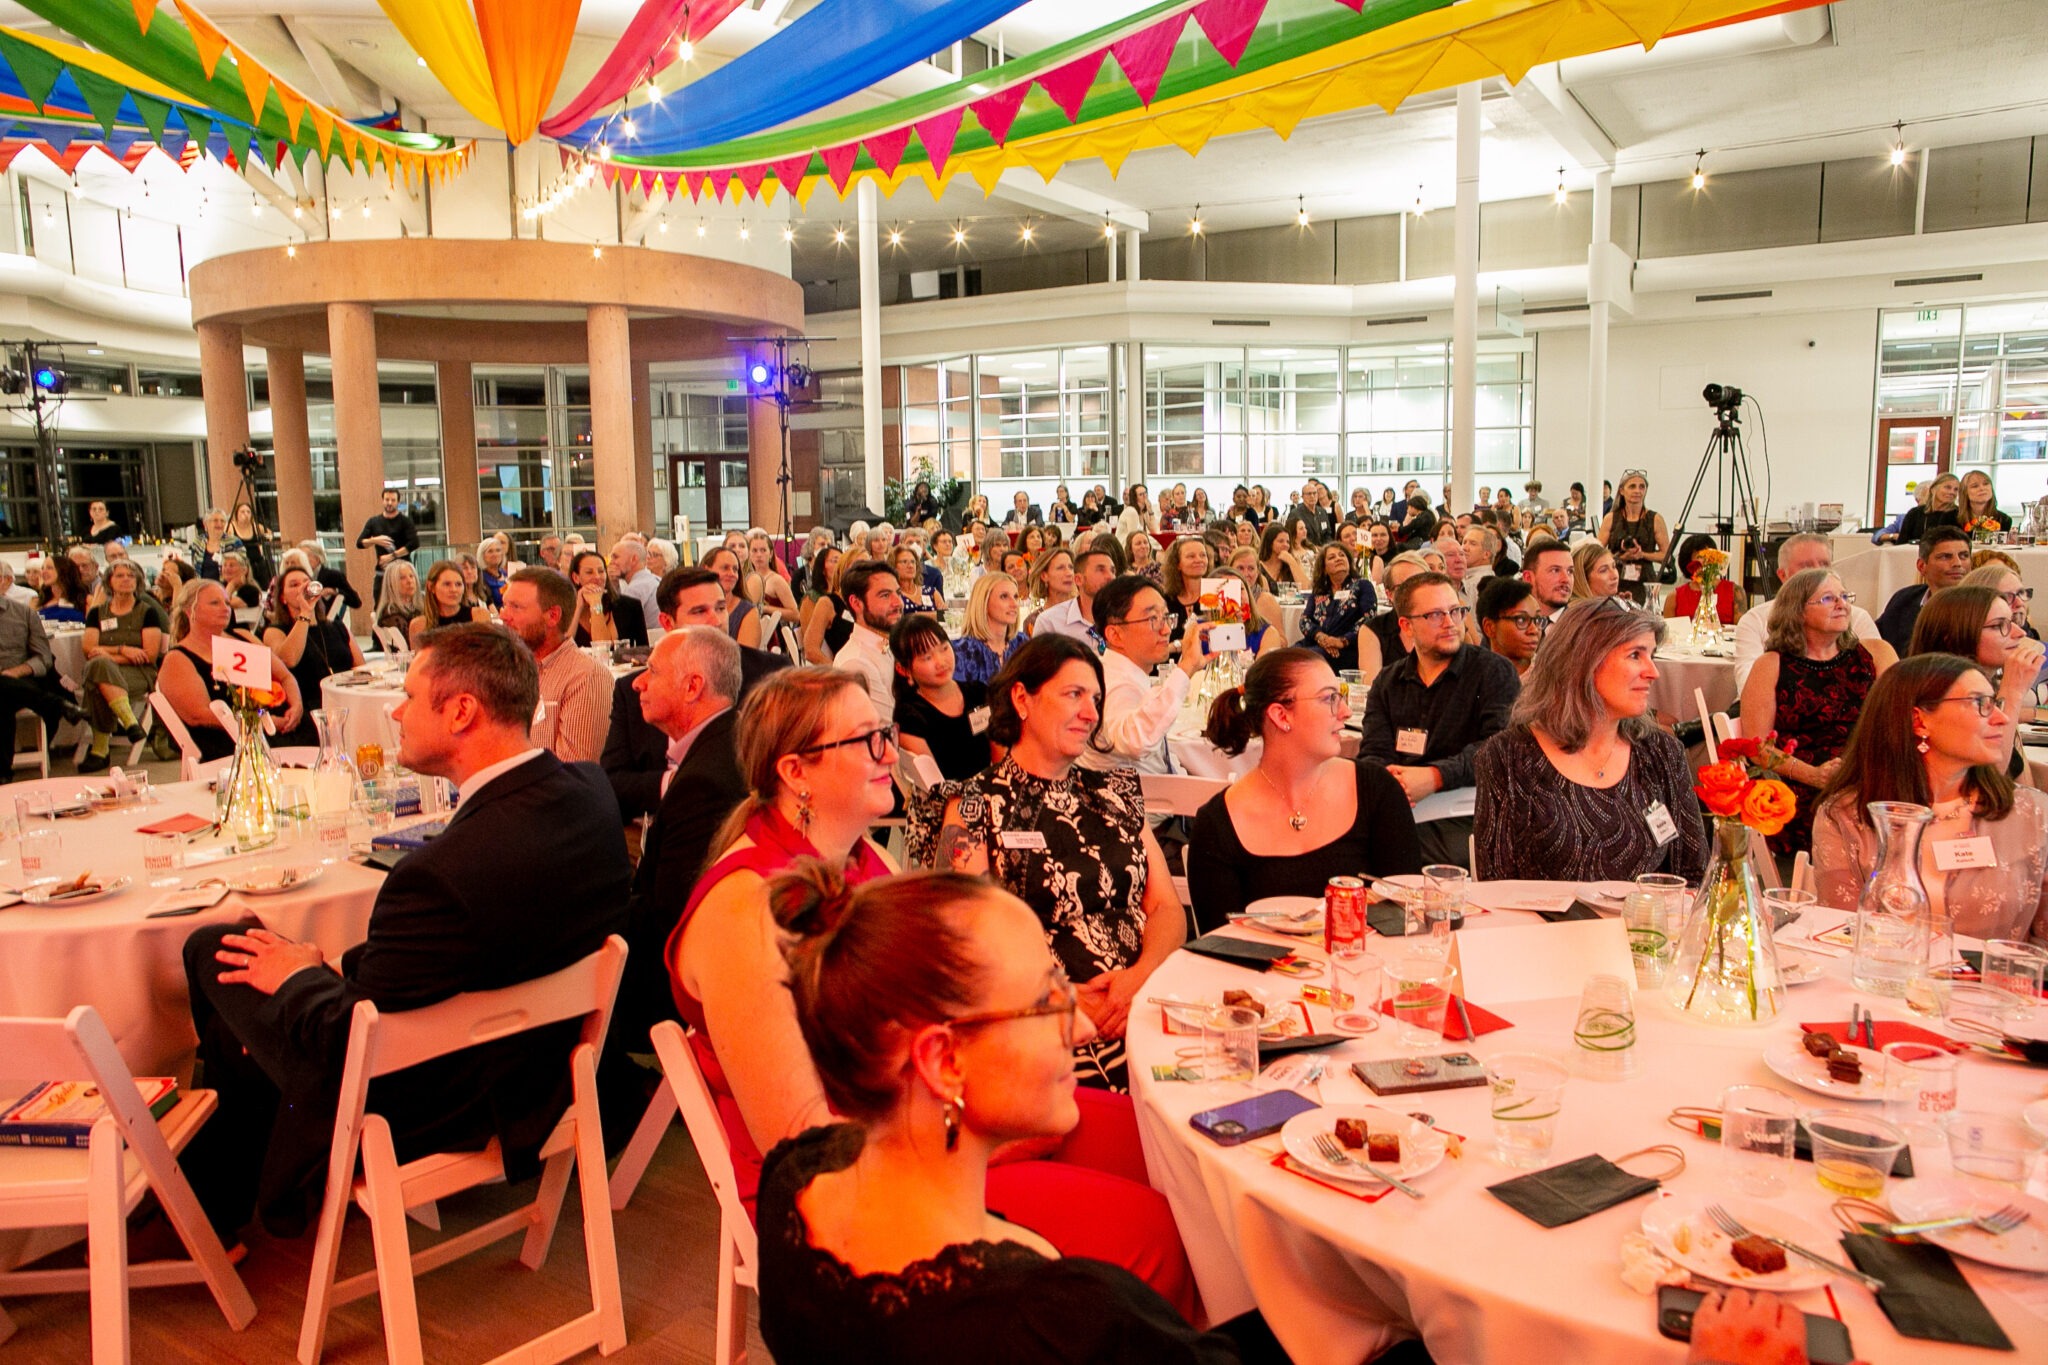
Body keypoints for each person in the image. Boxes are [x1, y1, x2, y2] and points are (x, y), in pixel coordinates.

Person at [179, 624, 629, 1239]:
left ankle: (219, 1203)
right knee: (265, 949)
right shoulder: (590, 793)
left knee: (216, 943)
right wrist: (327, 964)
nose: (395, 712)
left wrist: (304, 976)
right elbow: (461, 945)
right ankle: (229, 1180)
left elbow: (347, 1034)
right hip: (550, 1071)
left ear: (462, 712)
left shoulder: (435, 874)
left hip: (442, 1100)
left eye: (411, 697)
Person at [755, 862, 1286, 1364]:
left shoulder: (791, 1182)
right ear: (945, 1061)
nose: (1080, 1030)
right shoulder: (1058, 1326)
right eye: (1047, 1001)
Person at [932, 635, 1186, 1093]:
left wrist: (1140, 978)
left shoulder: (1115, 792)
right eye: (1074, 695)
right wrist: (1061, 998)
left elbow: (1166, 908)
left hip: (1148, 997)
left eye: (1096, 698)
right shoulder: (974, 806)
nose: (1091, 712)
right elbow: (960, 941)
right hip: (1044, 1017)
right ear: (1022, 699)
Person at [599, 626, 749, 1132]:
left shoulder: (706, 778)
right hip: (722, 952)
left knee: (548, 965)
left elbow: (670, 915)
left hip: (689, 976)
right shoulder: (728, 742)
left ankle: (605, 1103)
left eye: (652, 672)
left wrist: (589, 921)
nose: (638, 683)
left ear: (692, 686)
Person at [1814, 653, 2048, 942]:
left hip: (1994, 984)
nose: (2001, 718)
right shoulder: (1848, 816)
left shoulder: (2030, 813)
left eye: (1995, 703)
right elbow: (1840, 937)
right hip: (1883, 980)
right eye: (1980, 704)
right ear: (1919, 721)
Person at [1473, 598, 1708, 882]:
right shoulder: (1509, 758)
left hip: (1646, 925)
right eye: (1635, 655)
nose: (1653, 672)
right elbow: (1497, 890)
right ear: (1584, 661)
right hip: (1543, 926)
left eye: (1652, 655)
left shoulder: (1661, 753)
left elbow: (1694, 877)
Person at [1188, 649, 1422, 933]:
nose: (1346, 712)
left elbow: (1405, 918)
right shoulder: (1217, 825)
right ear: (1281, 715)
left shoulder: (1378, 792)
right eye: (1329, 699)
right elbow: (1223, 948)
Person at [601, 566, 789, 821]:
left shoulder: (770, 675)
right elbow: (612, 783)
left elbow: (787, 766)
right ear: (668, 622)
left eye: (721, 608)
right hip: (656, 821)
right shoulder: (636, 688)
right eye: (700, 611)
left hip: (745, 823)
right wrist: (677, 783)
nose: (717, 620)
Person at [1358, 571, 1519, 866]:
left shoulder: (1492, 671)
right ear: (1406, 626)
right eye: (1434, 615)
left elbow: (1497, 749)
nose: (1449, 623)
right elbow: (1373, 752)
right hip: (1400, 807)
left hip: (1467, 810)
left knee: (1391, 854)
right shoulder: (1389, 682)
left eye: (1455, 611)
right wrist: (1393, 784)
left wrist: (1434, 777)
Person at [1740, 570, 1897, 861]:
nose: (1842, 604)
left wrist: (1863, 768)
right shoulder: (1771, 665)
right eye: (1828, 598)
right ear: (1797, 611)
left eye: (1844, 596)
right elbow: (1758, 749)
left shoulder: (1876, 654)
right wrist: (1814, 775)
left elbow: (1898, 722)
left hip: (1871, 773)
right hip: (1803, 783)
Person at [159, 579, 304, 765]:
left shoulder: (243, 637)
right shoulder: (178, 658)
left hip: (275, 728)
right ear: (190, 611)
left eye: (227, 603)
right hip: (229, 742)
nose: (225, 608)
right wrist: (260, 723)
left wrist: (296, 706)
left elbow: (284, 676)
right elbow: (198, 716)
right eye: (214, 603)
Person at [1907, 583, 2044, 778]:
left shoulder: (1987, 687)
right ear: (1954, 637)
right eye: (1999, 626)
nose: (2019, 633)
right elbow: (1990, 778)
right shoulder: (1940, 699)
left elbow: (2018, 772)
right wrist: (2013, 692)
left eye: (2012, 621)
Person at [1083, 576, 1208, 781]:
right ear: (1115, 635)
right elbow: (1135, 740)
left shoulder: (1121, 673)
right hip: (1142, 808)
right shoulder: (1113, 683)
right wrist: (1186, 667)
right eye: (1153, 619)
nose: (1166, 629)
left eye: (1166, 617)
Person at [1732, 534, 1883, 691]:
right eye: (1806, 566)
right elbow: (1748, 685)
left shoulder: (1856, 618)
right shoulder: (1756, 620)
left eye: (1824, 564)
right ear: (1782, 575)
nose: (1818, 572)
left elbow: (1880, 689)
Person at [497, 567, 613, 764]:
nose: (504, 616)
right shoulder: (507, 670)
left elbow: (574, 773)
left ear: (552, 616)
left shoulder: (586, 676)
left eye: (516, 607)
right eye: (505, 605)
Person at [260, 565, 363, 749]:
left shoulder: (336, 627)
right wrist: (305, 612)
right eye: (293, 584)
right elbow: (289, 659)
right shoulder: (275, 631)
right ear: (282, 598)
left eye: (306, 582)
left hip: (345, 704)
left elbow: (361, 667)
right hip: (309, 711)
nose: (302, 587)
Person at [75, 560, 161, 771]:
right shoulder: (97, 613)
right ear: (109, 582)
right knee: (99, 668)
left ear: (138, 581)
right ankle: (130, 721)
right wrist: (124, 650)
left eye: (130, 576)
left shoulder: (147, 612)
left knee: (97, 676)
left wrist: (109, 653)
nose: (126, 580)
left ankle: (100, 750)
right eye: (120, 576)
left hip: (138, 673)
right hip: (111, 670)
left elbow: (149, 655)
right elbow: (88, 648)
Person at [891, 615, 993, 782]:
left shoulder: (978, 692)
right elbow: (934, 787)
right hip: (949, 801)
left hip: (994, 789)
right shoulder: (910, 718)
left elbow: (1000, 755)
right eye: (927, 657)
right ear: (904, 670)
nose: (940, 662)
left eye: (944, 648)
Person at [0, 563, 76, 764]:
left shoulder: (24, 613)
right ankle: (58, 705)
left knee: (3, 695)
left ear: (4, 582)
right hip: (18, 688)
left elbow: (43, 657)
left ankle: (4, 773)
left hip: (21, 683)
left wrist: (17, 671)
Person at [1876, 526, 1973, 653]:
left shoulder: (1981, 608)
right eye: (1945, 557)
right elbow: (1876, 640)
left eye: (1964, 556)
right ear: (1922, 566)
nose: (1957, 563)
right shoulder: (1905, 599)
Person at [835, 559, 905, 725]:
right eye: (885, 595)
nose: (898, 603)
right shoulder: (856, 663)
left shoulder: (888, 644)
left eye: (898, 593)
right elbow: (889, 731)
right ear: (856, 603)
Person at [1597, 469, 1669, 605]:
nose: (1637, 491)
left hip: (1645, 583)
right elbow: (1596, 554)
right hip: (1615, 580)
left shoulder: (1655, 519)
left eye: (1642, 487)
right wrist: (1620, 557)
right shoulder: (1611, 518)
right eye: (1632, 486)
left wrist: (1643, 555)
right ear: (1622, 491)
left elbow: (1666, 556)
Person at [1300, 541, 1371, 672]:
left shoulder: (1362, 585)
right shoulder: (1320, 591)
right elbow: (1304, 620)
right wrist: (1321, 637)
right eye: (1332, 557)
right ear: (1324, 569)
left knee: (1306, 660)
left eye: (1342, 555)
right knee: (1284, 656)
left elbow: (1368, 619)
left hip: (1347, 649)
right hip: (1318, 643)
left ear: (1349, 562)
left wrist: (1341, 641)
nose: (1338, 559)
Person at [1034, 543, 1114, 646]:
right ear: (1079, 579)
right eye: (1100, 570)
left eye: (1112, 571)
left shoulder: (1123, 616)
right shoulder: (1049, 621)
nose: (1110, 576)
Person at [954, 570, 1024, 687]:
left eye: (1015, 597)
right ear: (984, 602)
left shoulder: (1021, 643)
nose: (1014, 604)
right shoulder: (963, 651)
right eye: (1004, 596)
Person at [568, 549, 648, 648]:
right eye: (589, 572)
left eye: (601, 571)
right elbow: (562, 648)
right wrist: (578, 608)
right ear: (576, 578)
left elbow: (602, 647)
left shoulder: (629, 606)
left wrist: (596, 604)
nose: (597, 577)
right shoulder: (564, 608)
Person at [409, 559, 489, 650]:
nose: (454, 590)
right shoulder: (419, 625)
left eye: (458, 584)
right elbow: (419, 663)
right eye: (447, 584)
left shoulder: (479, 616)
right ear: (431, 587)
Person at [355, 487, 418, 600]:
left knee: (405, 601)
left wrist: (392, 556)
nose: (389, 503)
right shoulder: (373, 522)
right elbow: (360, 543)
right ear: (382, 500)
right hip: (382, 572)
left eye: (393, 500)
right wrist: (375, 540)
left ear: (398, 502)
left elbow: (414, 543)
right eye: (387, 499)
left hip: (401, 571)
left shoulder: (405, 521)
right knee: (379, 603)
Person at [1476, 576, 1546, 677]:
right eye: (1521, 620)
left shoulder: (1552, 680)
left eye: (1538, 620)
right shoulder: (1470, 680)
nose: (1534, 630)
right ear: (1489, 627)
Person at [1665, 534, 1740, 625]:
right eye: (1699, 557)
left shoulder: (1734, 591)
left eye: (1709, 556)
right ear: (1689, 562)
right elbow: (1669, 632)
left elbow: (1741, 629)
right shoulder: (1674, 597)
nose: (1705, 561)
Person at [702, 545, 764, 648]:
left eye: (735, 569)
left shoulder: (748, 612)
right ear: (706, 569)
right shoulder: (693, 606)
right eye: (725, 568)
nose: (731, 574)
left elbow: (745, 659)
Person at [800, 546, 848, 663]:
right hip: (827, 663)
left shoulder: (844, 596)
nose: (840, 565)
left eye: (842, 561)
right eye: (835, 560)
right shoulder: (812, 598)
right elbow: (810, 644)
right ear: (822, 568)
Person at [1897, 470, 1962, 543]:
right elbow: (1901, 543)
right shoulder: (1915, 513)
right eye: (1948, 487)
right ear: (1933, 489)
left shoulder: (1959, 515)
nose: (1952, 492)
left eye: (1956, 489)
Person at [1521, 540, 1575, 623]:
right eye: (1555, 570)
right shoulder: (1510, 624)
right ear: (1528, 578)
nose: (1566, 579)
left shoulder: (1584, 628)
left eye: (1570, 571)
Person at [374, 560, 422, 643]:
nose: (409, 581)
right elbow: (412, 643)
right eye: (402, 578)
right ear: (391, 584)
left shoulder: (416, 606)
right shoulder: (391, 614)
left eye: (411, 576)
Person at [1956, 468, 2010, 535]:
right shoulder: (1951, 517)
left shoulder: (2004, 520)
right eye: (1975, 486)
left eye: (1986, 484)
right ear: (1965, 492)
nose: (1982, 488)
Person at [893, 544, 943, 615]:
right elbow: (900, 619)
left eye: (913, 562)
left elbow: (945, 617)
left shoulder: (931, 592)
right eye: (904, 562)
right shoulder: (892, 594)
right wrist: (934, 615)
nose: (910, 566)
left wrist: (914, 615)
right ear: (894, 566)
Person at [1570, 539, 1622, 603]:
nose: (1614, 576)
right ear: (1583, 578)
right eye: (1603, 570)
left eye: (1614, 566)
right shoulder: (1585, 611)